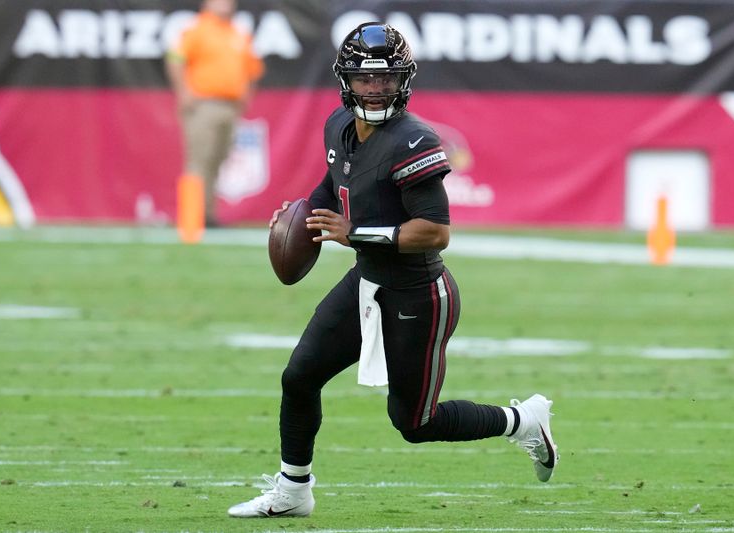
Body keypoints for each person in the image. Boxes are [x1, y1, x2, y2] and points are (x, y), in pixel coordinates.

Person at [227, 23, 559, 519]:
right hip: (368, 281)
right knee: (299, 376)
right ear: (347, 80)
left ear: (403, 82)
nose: (375, 88)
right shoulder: (339, 125)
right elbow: (333, 182)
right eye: (365, 79)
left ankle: (522, 421)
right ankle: (293, 490)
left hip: (418, 294)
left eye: (386, 79)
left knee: (414, 423)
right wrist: (299, 215)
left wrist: (354, 233)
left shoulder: (413, 142)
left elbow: (434, 231)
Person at [165, 0, 265, 228]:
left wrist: (246, 95)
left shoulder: (238, 32)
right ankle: (191, 219)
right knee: (199, 160)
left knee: (218, 160)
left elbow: (253, 69)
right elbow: (175, 59)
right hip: (204, 104)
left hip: (230, 107)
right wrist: (183, 91)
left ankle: (208, 215)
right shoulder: (197, 29)